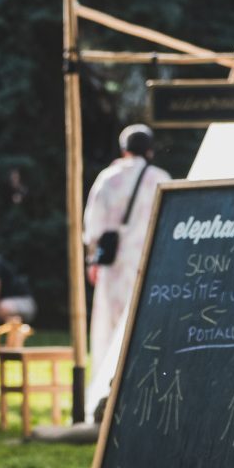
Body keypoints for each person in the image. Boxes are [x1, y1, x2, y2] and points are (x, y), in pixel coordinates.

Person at [83, 123, 170, 377]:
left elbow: (93, 224)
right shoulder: (161, 178)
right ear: (150, 151)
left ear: (124, 149)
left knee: (110, 325)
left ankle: (107, 384)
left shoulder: (109, 178)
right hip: (151, 260)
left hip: (114, 263)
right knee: (144, 321)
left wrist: (92, 260)